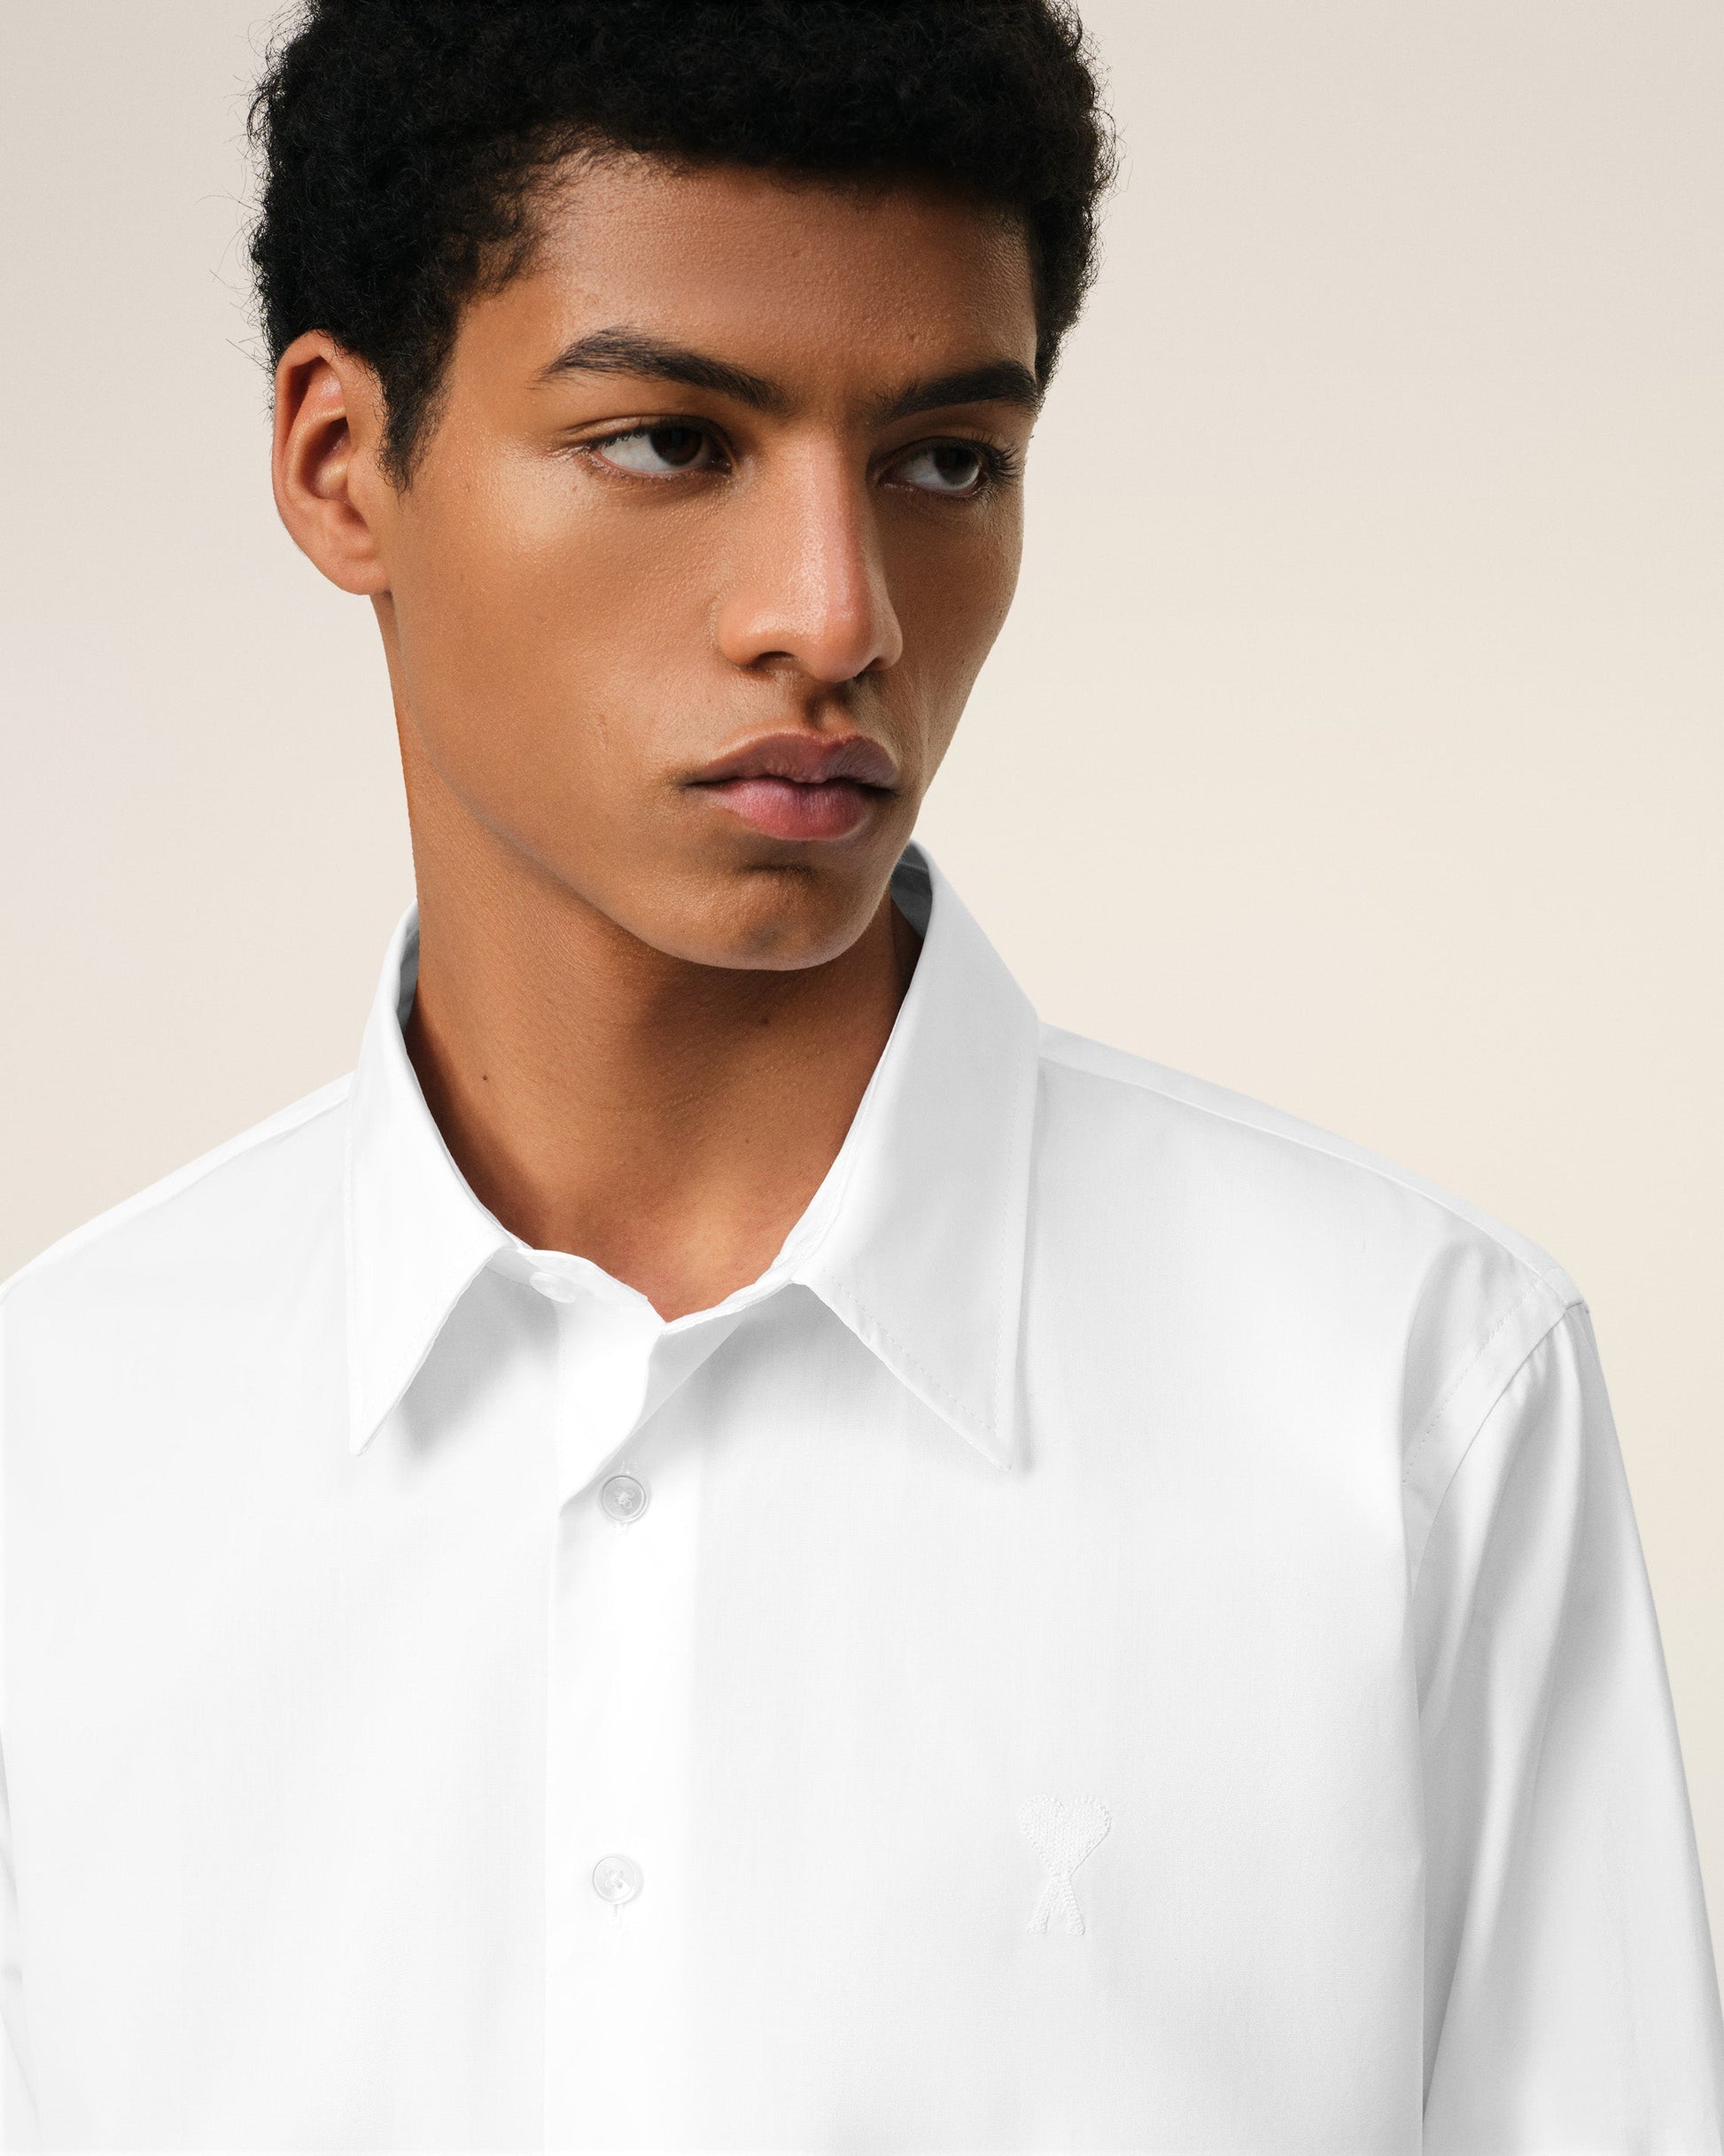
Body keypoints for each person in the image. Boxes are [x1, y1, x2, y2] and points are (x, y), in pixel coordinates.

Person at [3, 0, 1720, 2147]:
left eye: (944, 462)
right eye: (670, 441)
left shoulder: (1407, 1397)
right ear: (343, 461)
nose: (836, 618)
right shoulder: (54, 1455)